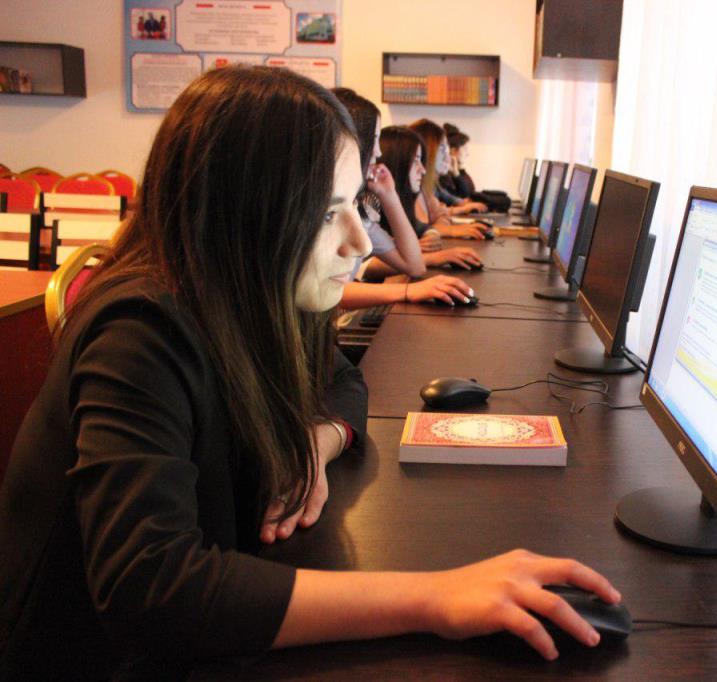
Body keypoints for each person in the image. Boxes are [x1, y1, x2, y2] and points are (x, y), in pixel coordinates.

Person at [0, 66, 619, 678]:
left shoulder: (259, 292)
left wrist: (314, 443)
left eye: (355, 205)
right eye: (326, 214)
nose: (359, 242)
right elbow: (154, 589)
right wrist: (437, 596)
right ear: (242, 214)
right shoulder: (141, 332)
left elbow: (343, 381)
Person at [329, 89, 481, 292]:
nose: (378, 152)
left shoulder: (361, 210)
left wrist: (389, 195)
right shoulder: (326, 210)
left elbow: (414, 265)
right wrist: (407, 292)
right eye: (374, 139)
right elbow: (334, 290)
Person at [378, 125, 488, 263]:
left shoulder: (414, 192)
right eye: (443, 149)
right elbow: (366, 263)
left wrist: (432, 233)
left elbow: (429, 224)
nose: (448, 156)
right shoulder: (374, 205)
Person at [407, 119, 490, 237]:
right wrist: (445, 230)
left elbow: (441, 215)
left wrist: (439, 228)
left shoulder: (424, 187)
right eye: (442, 150)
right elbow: (419, 233)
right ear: (425, 150)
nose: (448, 157)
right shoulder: (409, 188)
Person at [441, 122, 476, 199]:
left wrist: (457, 172)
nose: (467, 154)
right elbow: (465, 196)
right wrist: (456, 174)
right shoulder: (444, 176)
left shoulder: (460, 173)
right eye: (465, 149)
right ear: (453, 151)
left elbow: (471, 193)